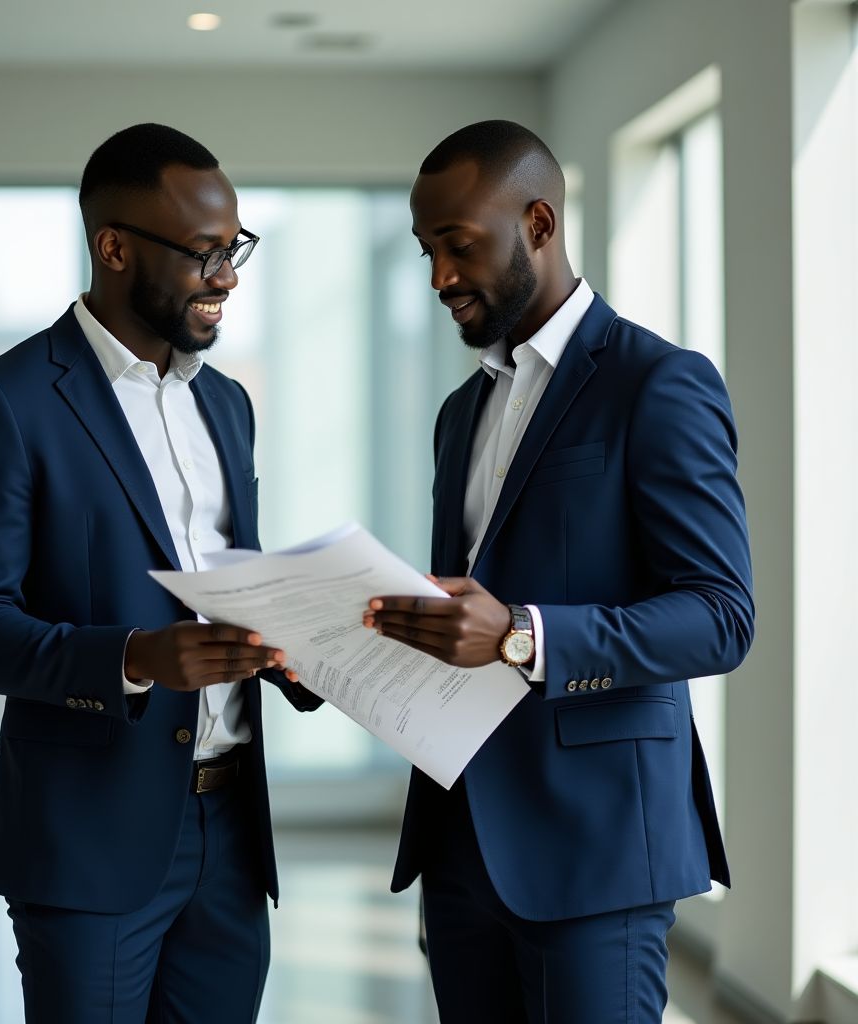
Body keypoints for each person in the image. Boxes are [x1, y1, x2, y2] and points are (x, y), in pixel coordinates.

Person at [0, 122, 320, 1024]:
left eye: (236, 251)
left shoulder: (227, 403)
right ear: (113, 247)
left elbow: (232, 581)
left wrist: (299, 644)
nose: (226, 278)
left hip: (231, 834)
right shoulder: (3, 402)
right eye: (203, 254)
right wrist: (136, 656)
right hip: (87, 836)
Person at [363, 120, 754, 1022]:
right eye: (426, 251)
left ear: (538, 224)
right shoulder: (461, 412)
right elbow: (463, 613)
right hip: (460, 843)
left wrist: (523, 635)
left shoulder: (659, 384)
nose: (438, 279)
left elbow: (721, 615)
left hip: (598, 849)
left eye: (456, 247)